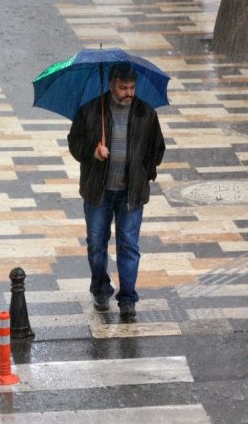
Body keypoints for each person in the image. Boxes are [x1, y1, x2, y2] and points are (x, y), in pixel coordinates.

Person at [67, 63, 165, 321]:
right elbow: (74, 144)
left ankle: (128, 298)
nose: (128, 93)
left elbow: (157, 149)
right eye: (123, 88)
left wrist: (146, 173)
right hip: (98, 192)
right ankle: (100, 289)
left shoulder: (146, 113)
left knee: (129, 245)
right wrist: (93, 151)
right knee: (96, 244)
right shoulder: (91, 111)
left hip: (131, 194)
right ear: (112, 85)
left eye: (132, 88)